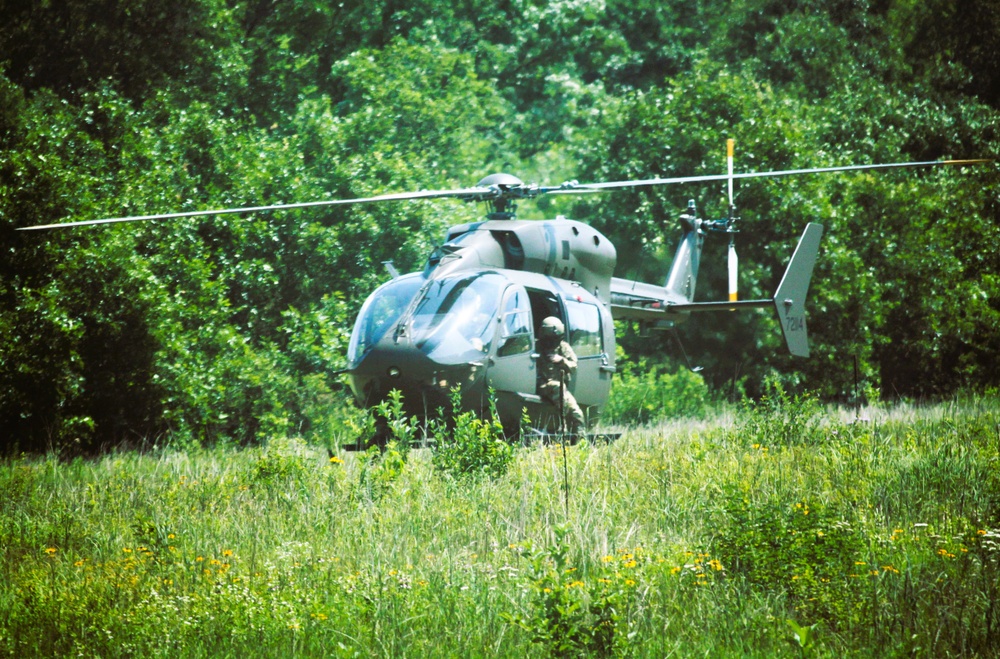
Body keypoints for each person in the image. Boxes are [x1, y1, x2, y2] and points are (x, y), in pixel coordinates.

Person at [536, 316, 585, 434]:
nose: (551, 342)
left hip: (560, 388)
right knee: (558, 387)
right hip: (543, 385)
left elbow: (574, 366)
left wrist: (562, 361)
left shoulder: (563, 347)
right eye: (549, 339)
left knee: (576, 413)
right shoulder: (536, 346)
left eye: (554, 339)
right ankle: (562, 427)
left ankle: (580, 439)